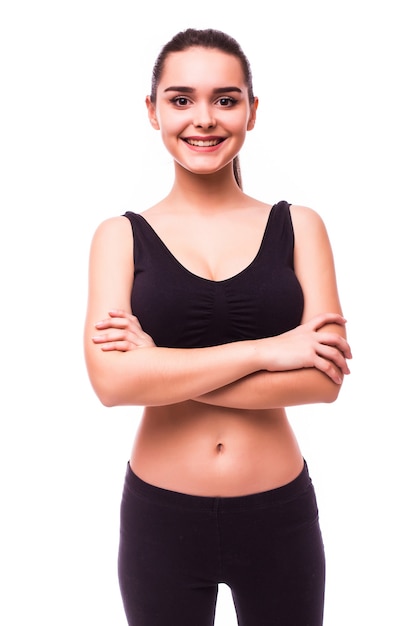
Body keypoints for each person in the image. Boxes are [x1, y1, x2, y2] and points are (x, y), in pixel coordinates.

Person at [84, 27, 351, 626]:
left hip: (278, 514)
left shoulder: (300, 227)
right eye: (180, 100)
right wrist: (271, 350)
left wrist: (159, 368)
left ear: (252, 112)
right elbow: (111, 385)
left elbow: (323, 381)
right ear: (152, 111)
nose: (203, 119)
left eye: (225, 99)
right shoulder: (119, 237)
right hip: (161, 517)